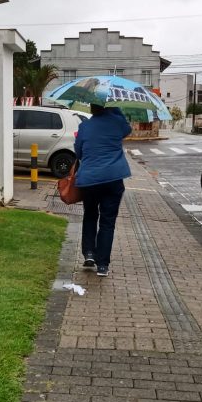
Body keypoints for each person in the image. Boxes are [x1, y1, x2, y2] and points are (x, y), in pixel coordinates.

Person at [74, 104, 132, 277]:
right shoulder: (117, 123)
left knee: (90, 215)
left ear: (92, 108)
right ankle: (102, 265)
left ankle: (89, 254)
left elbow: (79, 152)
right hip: (114, 178)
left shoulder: (85, 126)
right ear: (109, 107)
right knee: (108, 222)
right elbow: (127, 129)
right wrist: (116, 109)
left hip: (90, 180)